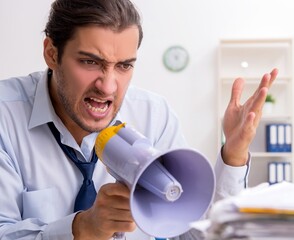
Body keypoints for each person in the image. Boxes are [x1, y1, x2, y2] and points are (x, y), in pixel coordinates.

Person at [0, 0, 278, 239]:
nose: (108, 87)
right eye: (90, 62)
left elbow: (192, 234)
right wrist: (82, 229)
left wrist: (234, 153)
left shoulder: (154, 115)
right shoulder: (6, 116)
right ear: (51, 53)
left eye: (123, 66)